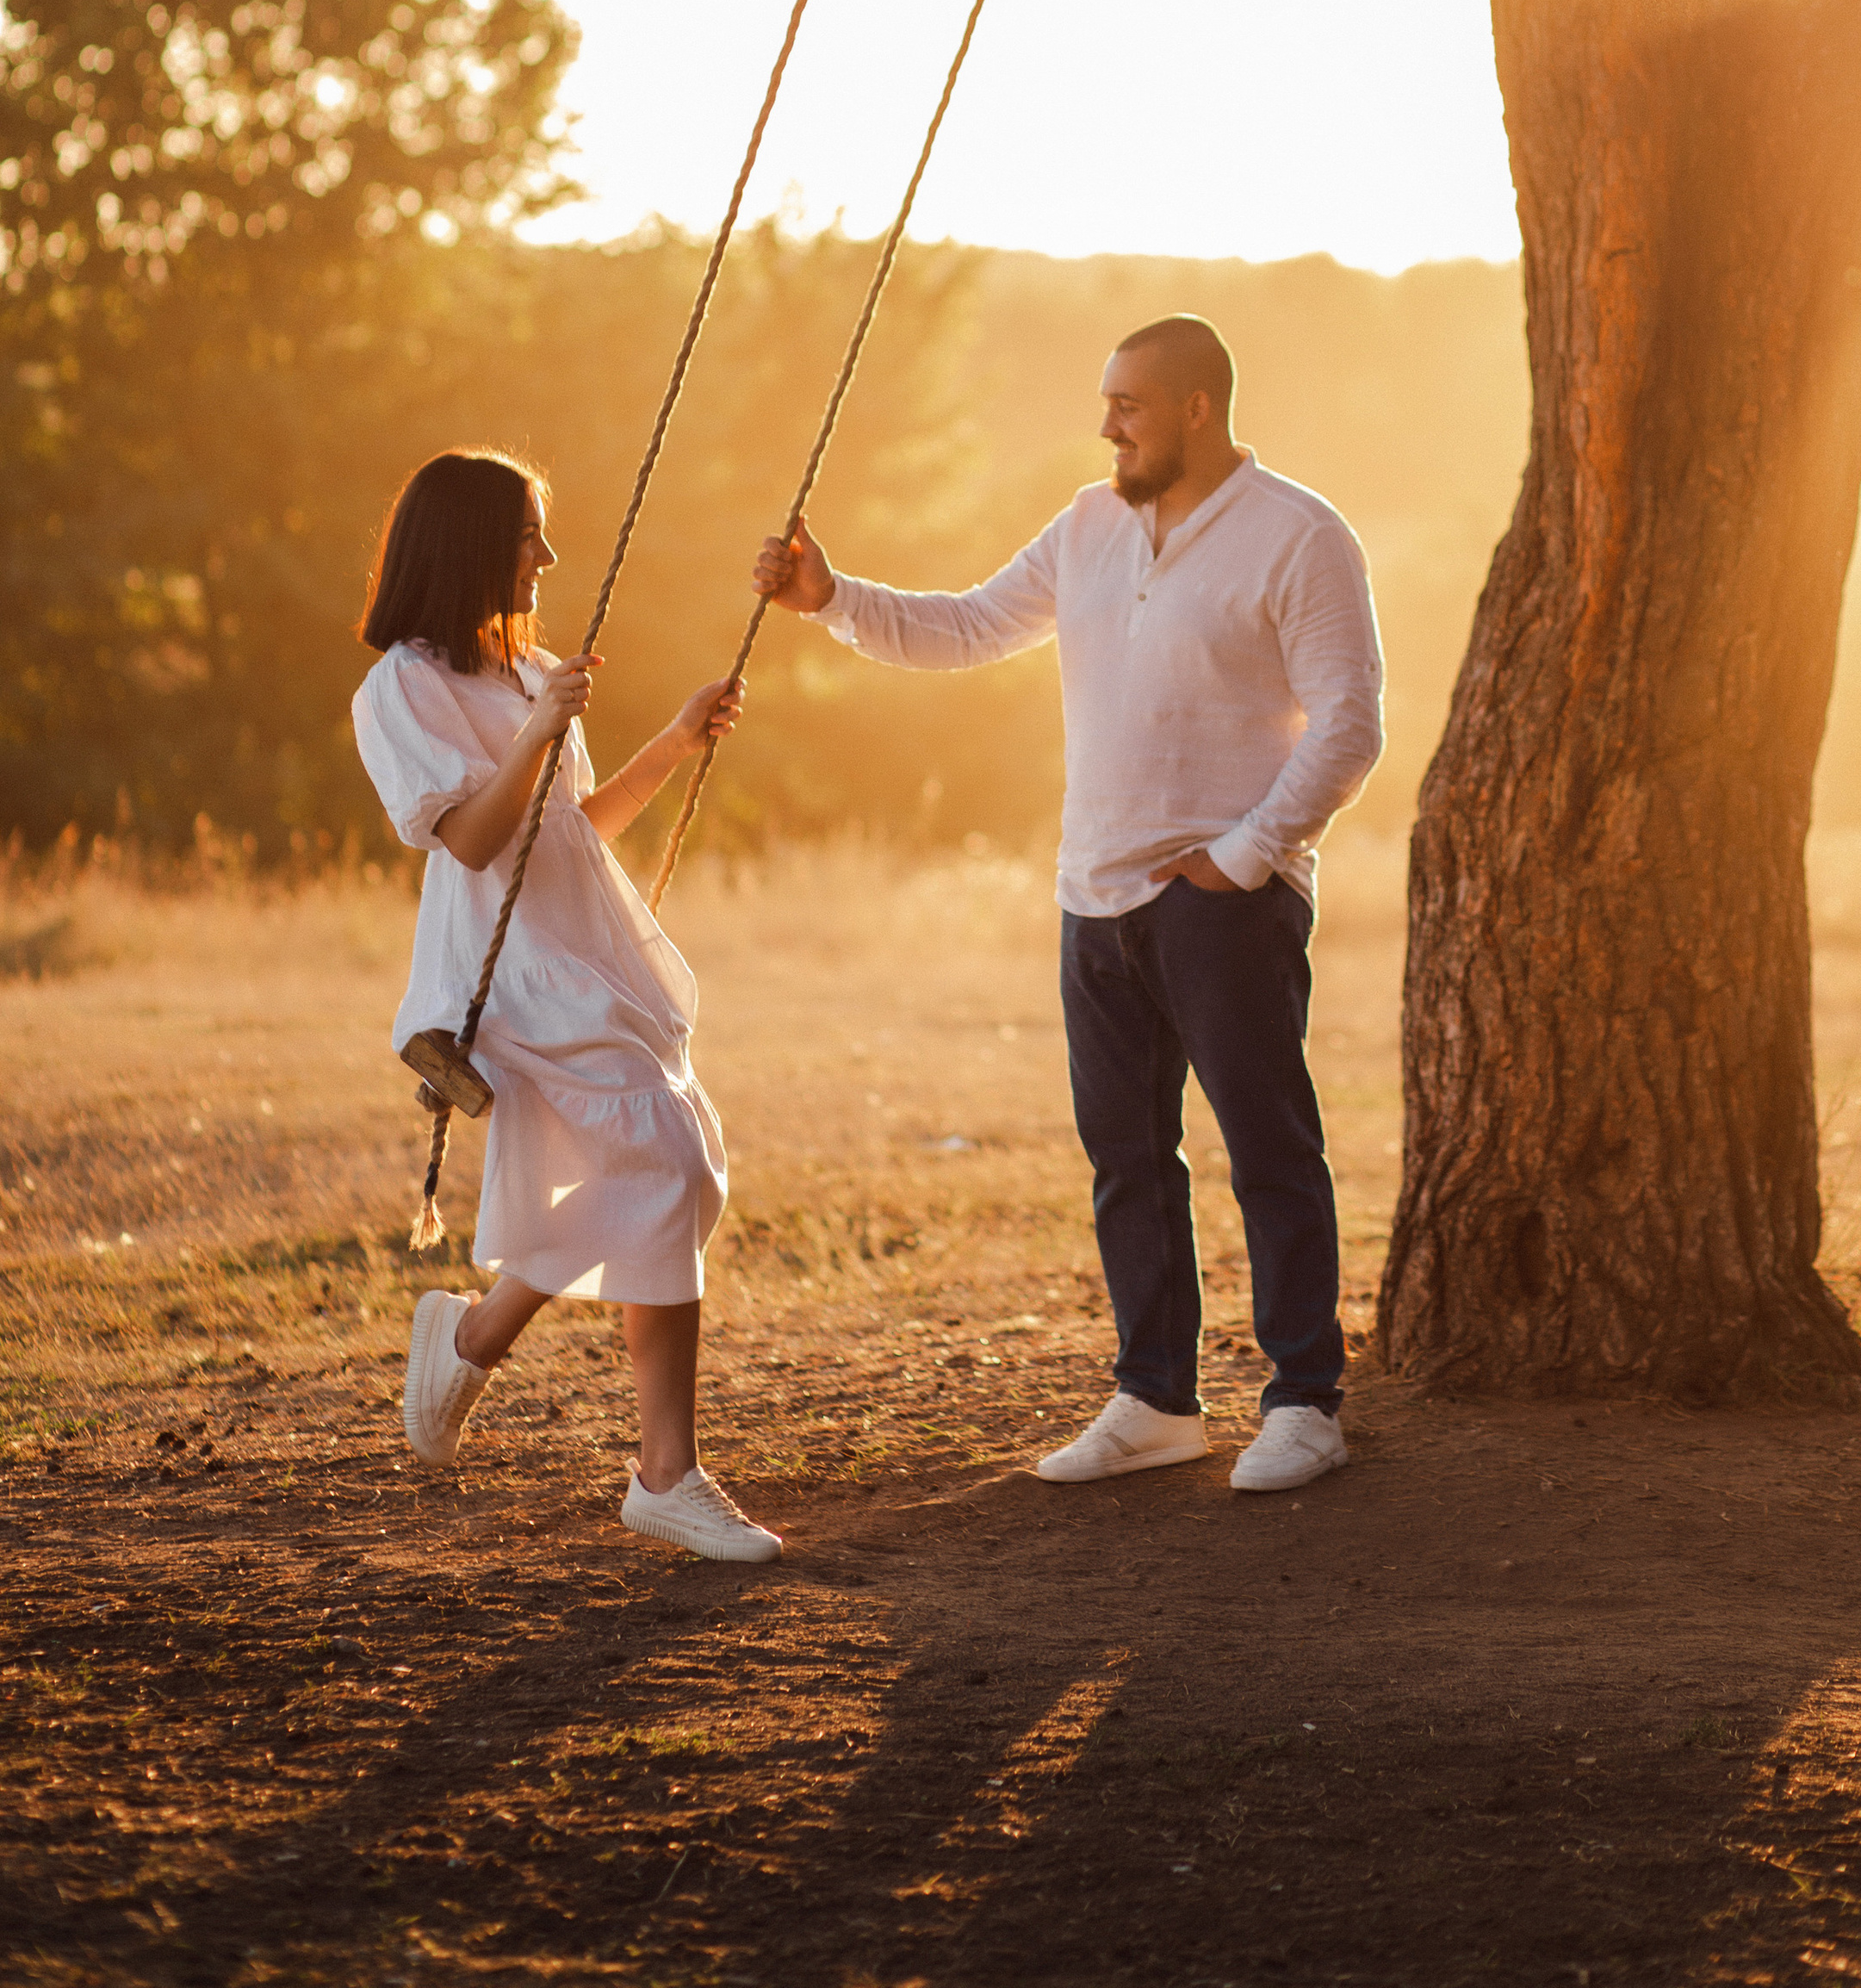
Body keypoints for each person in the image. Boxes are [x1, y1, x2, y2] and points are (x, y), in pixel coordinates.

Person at [754, 315, 1383, 1494]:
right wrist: (830, 596)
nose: (1105, 425)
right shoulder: (1089, 526)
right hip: (1092, 900)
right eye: (1105, 402)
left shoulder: (1300, 536)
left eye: (1129, 405)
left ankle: (1307, 1400)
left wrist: (1245, 857)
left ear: (1199, 407)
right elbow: (970, 625)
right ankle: (1157, 1400)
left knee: (1269, 1153)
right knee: (1128, 1161)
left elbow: (1350, 724)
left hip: (1224, 905)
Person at [354, 446, 780, 1565]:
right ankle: (666, 1476)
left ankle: (475, 1334)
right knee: (670, 1162)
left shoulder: (526, 669)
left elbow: (573, 829)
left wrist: (673, 744)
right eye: (529, 534)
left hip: (584, 954)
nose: (548, 554)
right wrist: (541, 725)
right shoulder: (401, 686)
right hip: (506, 976)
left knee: (666, 1171)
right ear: (470, 547)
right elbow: (476, 838)